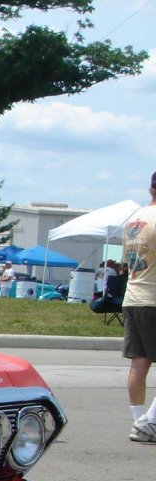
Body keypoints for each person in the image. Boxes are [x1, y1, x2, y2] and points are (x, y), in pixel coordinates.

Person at [121, 170, 156, 443]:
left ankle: (139, 421)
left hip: (133, 296)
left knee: (139, 362)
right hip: (153, 297)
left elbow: (126, 263)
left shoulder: (134, 220)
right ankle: (150, 422)